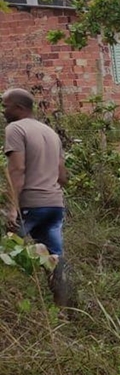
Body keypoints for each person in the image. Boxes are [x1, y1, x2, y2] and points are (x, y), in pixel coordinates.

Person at [3, 87, 71, 302]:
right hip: (54, 205)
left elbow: (17, 170)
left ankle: (10, 303)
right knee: (55, 258)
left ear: (19, 107)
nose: (3, 111)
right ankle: (65, 306)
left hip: (29, 206)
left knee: (7, 249)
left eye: (6, 107)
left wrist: (13, 208)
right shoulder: (50, 133)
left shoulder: (15, 129)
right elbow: (62, 176)